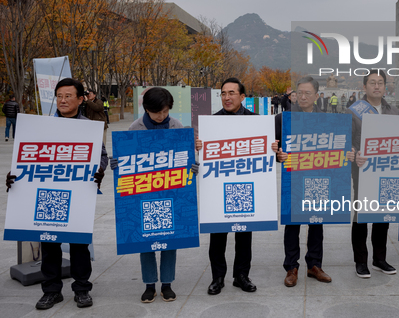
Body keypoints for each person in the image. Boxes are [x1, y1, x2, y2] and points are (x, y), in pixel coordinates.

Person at [6, 78, 108, 310]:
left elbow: (102, 155)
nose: (62, 100)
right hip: (49, 192)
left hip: (77, 193)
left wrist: (99, 170)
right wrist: (13, 174)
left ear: (81, 99)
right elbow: (27, 156)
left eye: (68, 96)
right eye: (59, 96)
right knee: (49, 243)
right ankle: (51, 291)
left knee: (79, 245)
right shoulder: (42, 127)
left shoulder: (88, 128)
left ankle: (82, 289)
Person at [200, 77, 279, 296]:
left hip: (245, 184)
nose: (227, 97)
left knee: (244, 233)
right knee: (217, 234)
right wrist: (198, 145)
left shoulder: (257, 122)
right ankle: (217, 277)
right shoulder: (211, 122)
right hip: (218, 185)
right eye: (223, 93)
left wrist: (272, 147)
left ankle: (241, 276)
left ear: (242, 97)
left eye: (231, 93)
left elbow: (272, 153)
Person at [110, 87, 188, 303]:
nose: (162, 116)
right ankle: (149, 285)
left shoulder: (176, 126)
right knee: (146, 240)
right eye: (157, 113)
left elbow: (185, 157)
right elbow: (126, 160)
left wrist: (192, 165)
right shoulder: (136, 128)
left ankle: (167, 284)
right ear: (146, 109)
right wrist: (117, 163)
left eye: (165, 112)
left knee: (170, 239)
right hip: (144, 192)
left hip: (170, 191)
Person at [275, 76, 331, 287]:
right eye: (300, 93)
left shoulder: (326, 119)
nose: (303, 96)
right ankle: (291, 267)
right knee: (292, 223)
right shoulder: (284, 119)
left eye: (308, 93)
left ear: (316, 96)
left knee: (316, 222)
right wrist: (277, 155)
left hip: (317, 178)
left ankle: (314, 265)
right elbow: (271, 145)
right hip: (293, 178)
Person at [348, 70, 399, 278]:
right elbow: (346, 141)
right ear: (364, 87)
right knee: (361, 215)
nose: (376, 86)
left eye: (380, 83)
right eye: (372, 83)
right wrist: (353, 153)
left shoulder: (393, 111)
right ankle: (361, 261)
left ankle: (380, 258)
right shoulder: (353, 111)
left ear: (385, 86)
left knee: (383, 214)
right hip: (363, 169)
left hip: (387, 170)